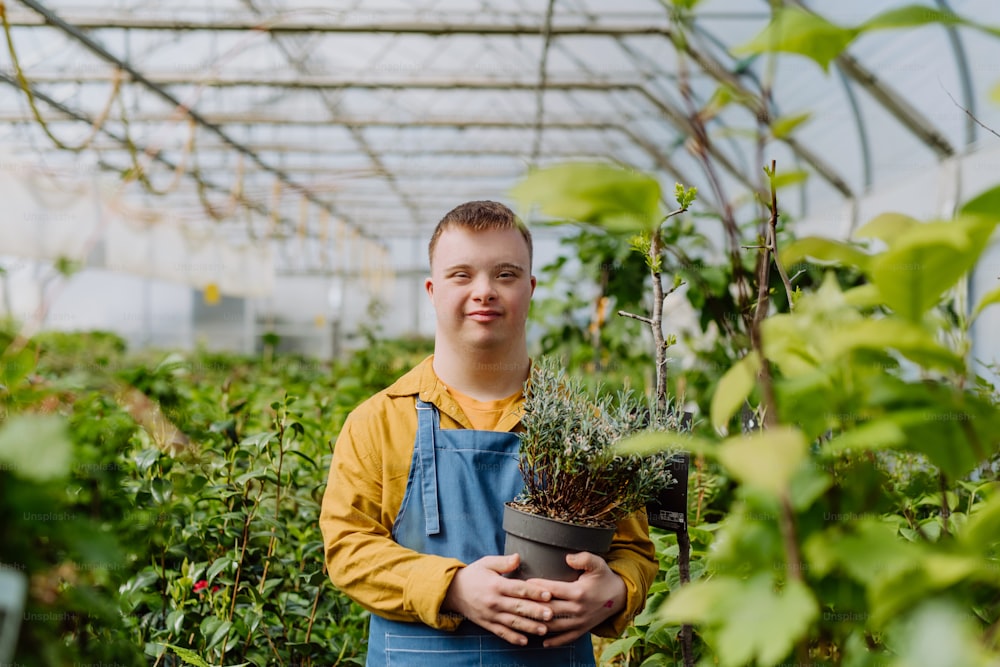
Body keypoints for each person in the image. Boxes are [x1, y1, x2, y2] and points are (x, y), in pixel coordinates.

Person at [319, 200, 658, 666]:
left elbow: (633, 552)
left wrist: (612, 592)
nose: (484, 291)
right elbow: (348, 549)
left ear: (530, 288)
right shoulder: (378, 422)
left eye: (506, 274)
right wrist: (453, 588)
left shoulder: (589, 431)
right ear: (433, 290)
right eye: (462, 275)